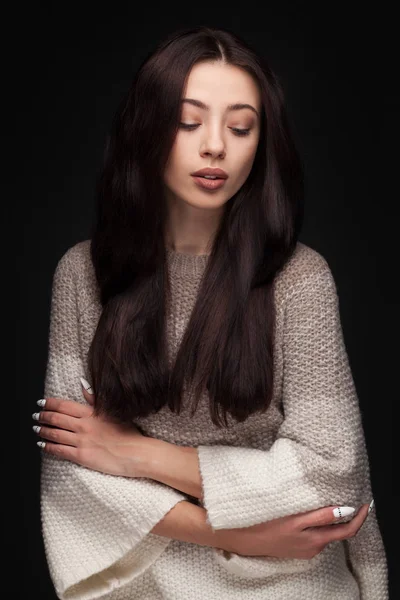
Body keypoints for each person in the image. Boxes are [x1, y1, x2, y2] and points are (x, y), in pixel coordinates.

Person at [35, 25, 388, 599]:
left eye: (241, 126)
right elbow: (73, 472)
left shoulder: (299, 278)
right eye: (189, 121)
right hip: (145, 577)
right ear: (146, 130)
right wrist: (234, 534)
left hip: (291, 577)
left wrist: (134, 452)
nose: (216, 146)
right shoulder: (82, 274)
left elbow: (331, 468)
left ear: (262, 142)